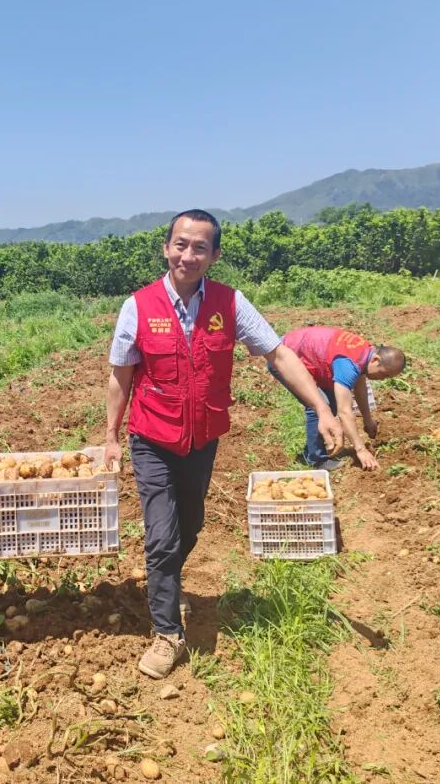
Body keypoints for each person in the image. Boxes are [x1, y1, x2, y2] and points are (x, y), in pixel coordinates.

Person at [104, 210, 344, 681]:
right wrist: (111, 436)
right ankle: (167, 632)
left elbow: (278, 352)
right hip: (152, 437)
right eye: (180, 244)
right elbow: (120, 374)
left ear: (214, 255)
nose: (187, 255)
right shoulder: (138, 306)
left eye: (199, 247)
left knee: (190, 524)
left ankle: (167, 578)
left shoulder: (230, 303)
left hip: (202, 438)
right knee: (161, 535)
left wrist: (322, 406)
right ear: (166, 248)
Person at [279, 326, 405, 471]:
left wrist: (367, 419)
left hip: (308, 356)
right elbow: (344, 412)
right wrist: (360, 450)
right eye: (384, 374)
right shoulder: (349, 365)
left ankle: (312, 450)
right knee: (319, 406)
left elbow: (360, 388)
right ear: (376, 359)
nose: (382, 379)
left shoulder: (365, 354)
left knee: (331, 402)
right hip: (283, 357)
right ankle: (316, 460)